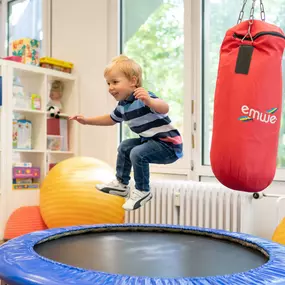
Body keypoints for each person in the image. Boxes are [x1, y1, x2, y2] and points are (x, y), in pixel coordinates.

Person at [69, 55, 183, 211]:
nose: (110, 87)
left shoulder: (142, 97)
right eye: (108, 83)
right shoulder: (123, 106)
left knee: (137, 153)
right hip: (150, 142)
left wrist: (149, 101)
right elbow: (110, 119)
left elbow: (164, 108)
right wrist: (87, 120)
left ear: (133, 81)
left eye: (115, 82)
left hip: (169, 146)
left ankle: (143, 190)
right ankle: (121, 184)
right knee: (125, 146)